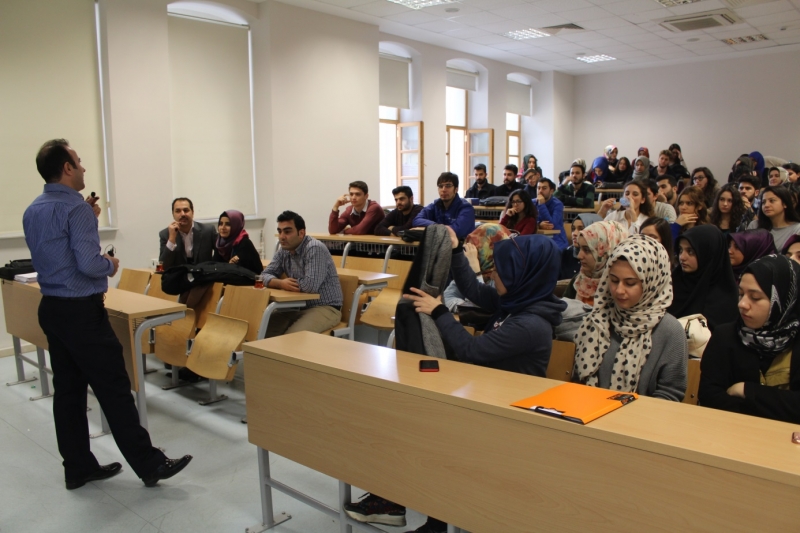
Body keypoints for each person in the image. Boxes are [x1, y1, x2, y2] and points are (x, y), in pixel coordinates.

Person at [349, 230, 567, 533]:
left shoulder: (531, 324)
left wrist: (439, 311)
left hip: (509, 417)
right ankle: (397, 500)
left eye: (501, 271)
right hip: (486, 399)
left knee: (435, 437)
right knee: (408, 419)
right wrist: (454, 251)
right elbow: (473, 290)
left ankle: (436, 522)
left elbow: (471, 351)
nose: (493, 274)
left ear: (522, 275)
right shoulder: (516, 300)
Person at [23, 139, 191, 490]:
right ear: (67, 168)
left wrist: (86, 217)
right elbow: (88, 264)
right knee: (114, 387)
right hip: (82, 313)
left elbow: (56, 250)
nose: (83, 167)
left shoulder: (34, 209)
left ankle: (78, 467)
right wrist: (110, 263)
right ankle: (150, 464)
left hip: (51, 308)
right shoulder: (77, 210)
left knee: (68, 392)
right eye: (78, 161)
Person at [572, 234, 687, 401]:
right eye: (614, 280)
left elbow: (670, 394)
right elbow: (578, 380)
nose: (619, 290)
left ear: (651, 283)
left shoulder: (670, 331)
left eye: (630, 283)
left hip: (643, 416)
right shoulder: (598, 320)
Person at [699, 255, 800, 423]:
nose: (742, 304)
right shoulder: (725, 336)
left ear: (783, 300)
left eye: (755, 297)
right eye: (741, 294)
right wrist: (777, 405)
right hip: (730, 431)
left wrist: (748, 390)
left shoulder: (796, 341)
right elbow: (710, 398)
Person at [263, 211, 343, 335]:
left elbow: (310, 286)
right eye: (280, 231)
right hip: (295, 306)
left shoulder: (314, 248)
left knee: (293, 338)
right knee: (261, 331)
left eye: (287, 232)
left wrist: (281, 283)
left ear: (301, 233)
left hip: (324, 307)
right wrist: (280, 283)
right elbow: (264, 275)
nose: (282, 236)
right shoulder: (284, 250)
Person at [669, 225, 739, 331]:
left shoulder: (726, 300)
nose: (682, 257)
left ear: (709, 254)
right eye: (680, 250)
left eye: (690, 251)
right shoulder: (673, 283)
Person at [442, 224, 508, 312]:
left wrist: (476, 273)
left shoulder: (503, 277)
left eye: (476, 248)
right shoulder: (469, 267)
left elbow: (483, 309)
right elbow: (446, 297)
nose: (468, 253)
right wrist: (463, 307)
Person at [563, 221, 629, 306]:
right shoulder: (578, 280)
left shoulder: (623, 288)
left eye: (587, 250)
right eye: (580, 248)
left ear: (607, 251)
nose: (579, 256)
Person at [412, 172, 476, 240]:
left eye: (448, 186)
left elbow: (457, 231)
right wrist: (436, 226)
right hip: (439, 244)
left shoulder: (466, 208)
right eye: (440, 186)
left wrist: (435, 228)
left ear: (456, 189)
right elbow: (416, 220)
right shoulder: (435, 205)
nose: (443, 190)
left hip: (461, 245)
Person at [159, 197, 217, 270]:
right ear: (173, 214)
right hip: (178, 275)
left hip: (203, 275)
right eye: (178, 211)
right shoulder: (165, 234)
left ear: (192, 212)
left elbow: (221, 254)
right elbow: (163, 265)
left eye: (186, 210)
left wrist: (212, 267)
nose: (183, 214)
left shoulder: (208, 231)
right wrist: (171, 239)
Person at [746, 185, 800, 250]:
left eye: (772, 201)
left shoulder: (797, 229)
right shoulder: (754, 225)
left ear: (785, 204)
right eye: (763, 202)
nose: (766, 205)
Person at [212, 210, 263, 274]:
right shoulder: (219, 243)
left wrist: (229, 266)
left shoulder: (244, 243)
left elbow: (243, 270)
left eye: (228, 224)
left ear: (236, 225)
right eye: (221, 224)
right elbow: (214, 266)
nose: (223, 227)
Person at [560, 213, 602, 279]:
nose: (574, 233)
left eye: (581, 229)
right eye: (573, 229)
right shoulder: (567, 253)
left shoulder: (602, 258)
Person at [535, 178, 569, 250]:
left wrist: (541, 205)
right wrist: (538, 224)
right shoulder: (532, 202)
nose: (540, 191)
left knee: (548, 251)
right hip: (538, 238)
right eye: (538, 188)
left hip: (557, 239)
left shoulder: (558, 204)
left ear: (551, 191)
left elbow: (551, 225)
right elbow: (528, 220)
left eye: (544, 188)